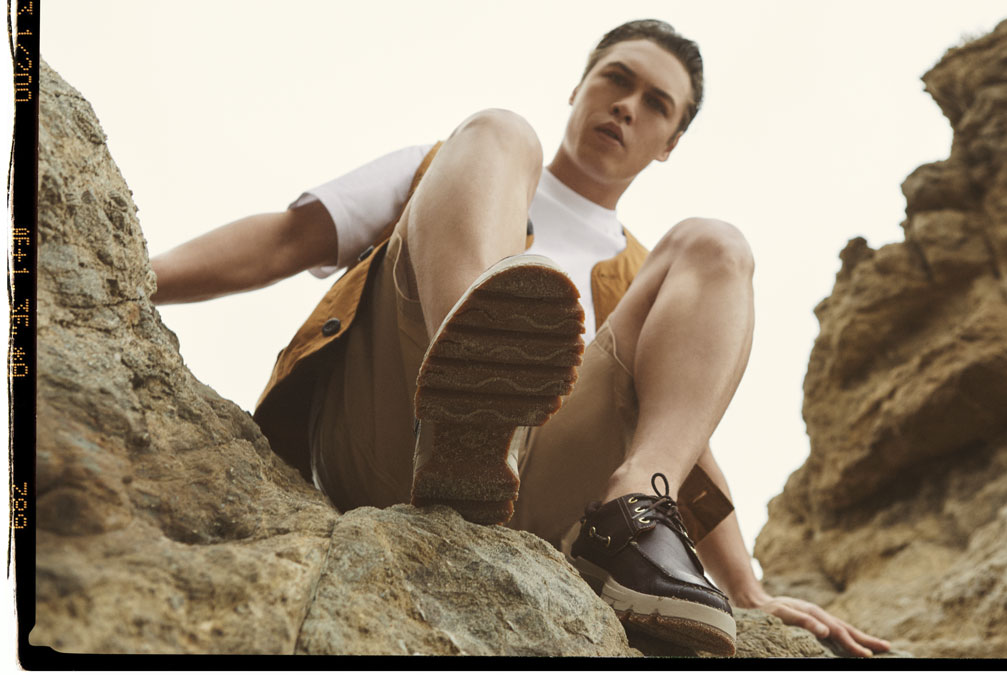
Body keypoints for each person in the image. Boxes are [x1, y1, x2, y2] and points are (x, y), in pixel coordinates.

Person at [150, 19, 890, 657]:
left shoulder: (648, 278)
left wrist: (746, 587)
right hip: (388, 437)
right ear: (578, 88)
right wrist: (131, 274)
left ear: (669, 142)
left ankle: (633, 516)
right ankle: (465, 396)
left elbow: (682, 432)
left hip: (537, 502)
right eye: (616, 79)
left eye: (655, 104)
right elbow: (288, 239)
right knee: (500, 127)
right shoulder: (457, 165)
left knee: (716, 244)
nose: (626, 106)